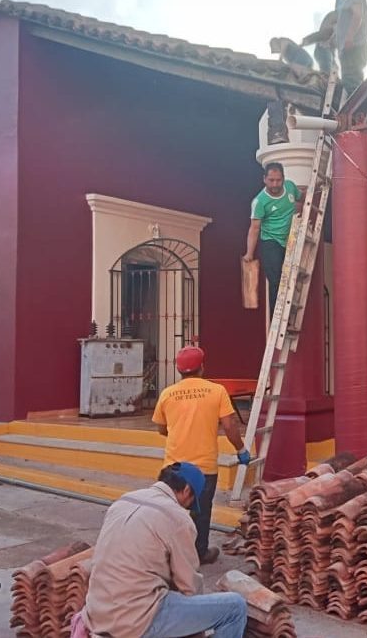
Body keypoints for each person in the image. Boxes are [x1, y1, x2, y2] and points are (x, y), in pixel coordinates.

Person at [82, 462, 248, 638]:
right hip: (135, 622)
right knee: (235, 607)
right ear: (186, 490)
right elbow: (189, 586)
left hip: (96, 613)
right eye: (191, 502)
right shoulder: (177, 518)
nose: (187, 507)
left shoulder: (123, 500)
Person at [153, 345, 251, 565]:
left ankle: (167, 553)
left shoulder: (167, 394)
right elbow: (230, 425)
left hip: (173, 467)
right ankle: (199, 553)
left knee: (170, 510)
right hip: (204, 468)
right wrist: (241, 450)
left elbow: (161, 428)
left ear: (178, 369)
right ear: (202, 367)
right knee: (201, 512)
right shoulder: (216, 391)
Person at [243, 162, 301, 316]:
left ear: (283, 178)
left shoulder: (290, 187)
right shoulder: (260, 201)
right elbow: (254, 228)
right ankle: (278, 316)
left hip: (289, 240)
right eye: (271, 180)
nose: (275, 184)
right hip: (270, 242)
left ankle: (290, 313)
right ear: (264, 179)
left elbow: (301, 197)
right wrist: (249, 253)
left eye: (278, 180)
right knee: (276, 279)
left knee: (291, 276)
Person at [301, 0, 344, 73]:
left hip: (334, 41)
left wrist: (312, 38)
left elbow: (341, 20)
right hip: (331, 41)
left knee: (327, 73)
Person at [335, 0, 367, 94]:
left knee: (352, 85)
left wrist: (349, 38)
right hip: (351, 50)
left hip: (353, 49)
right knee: (351, 83)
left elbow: (357, 14)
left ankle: (357, 112)